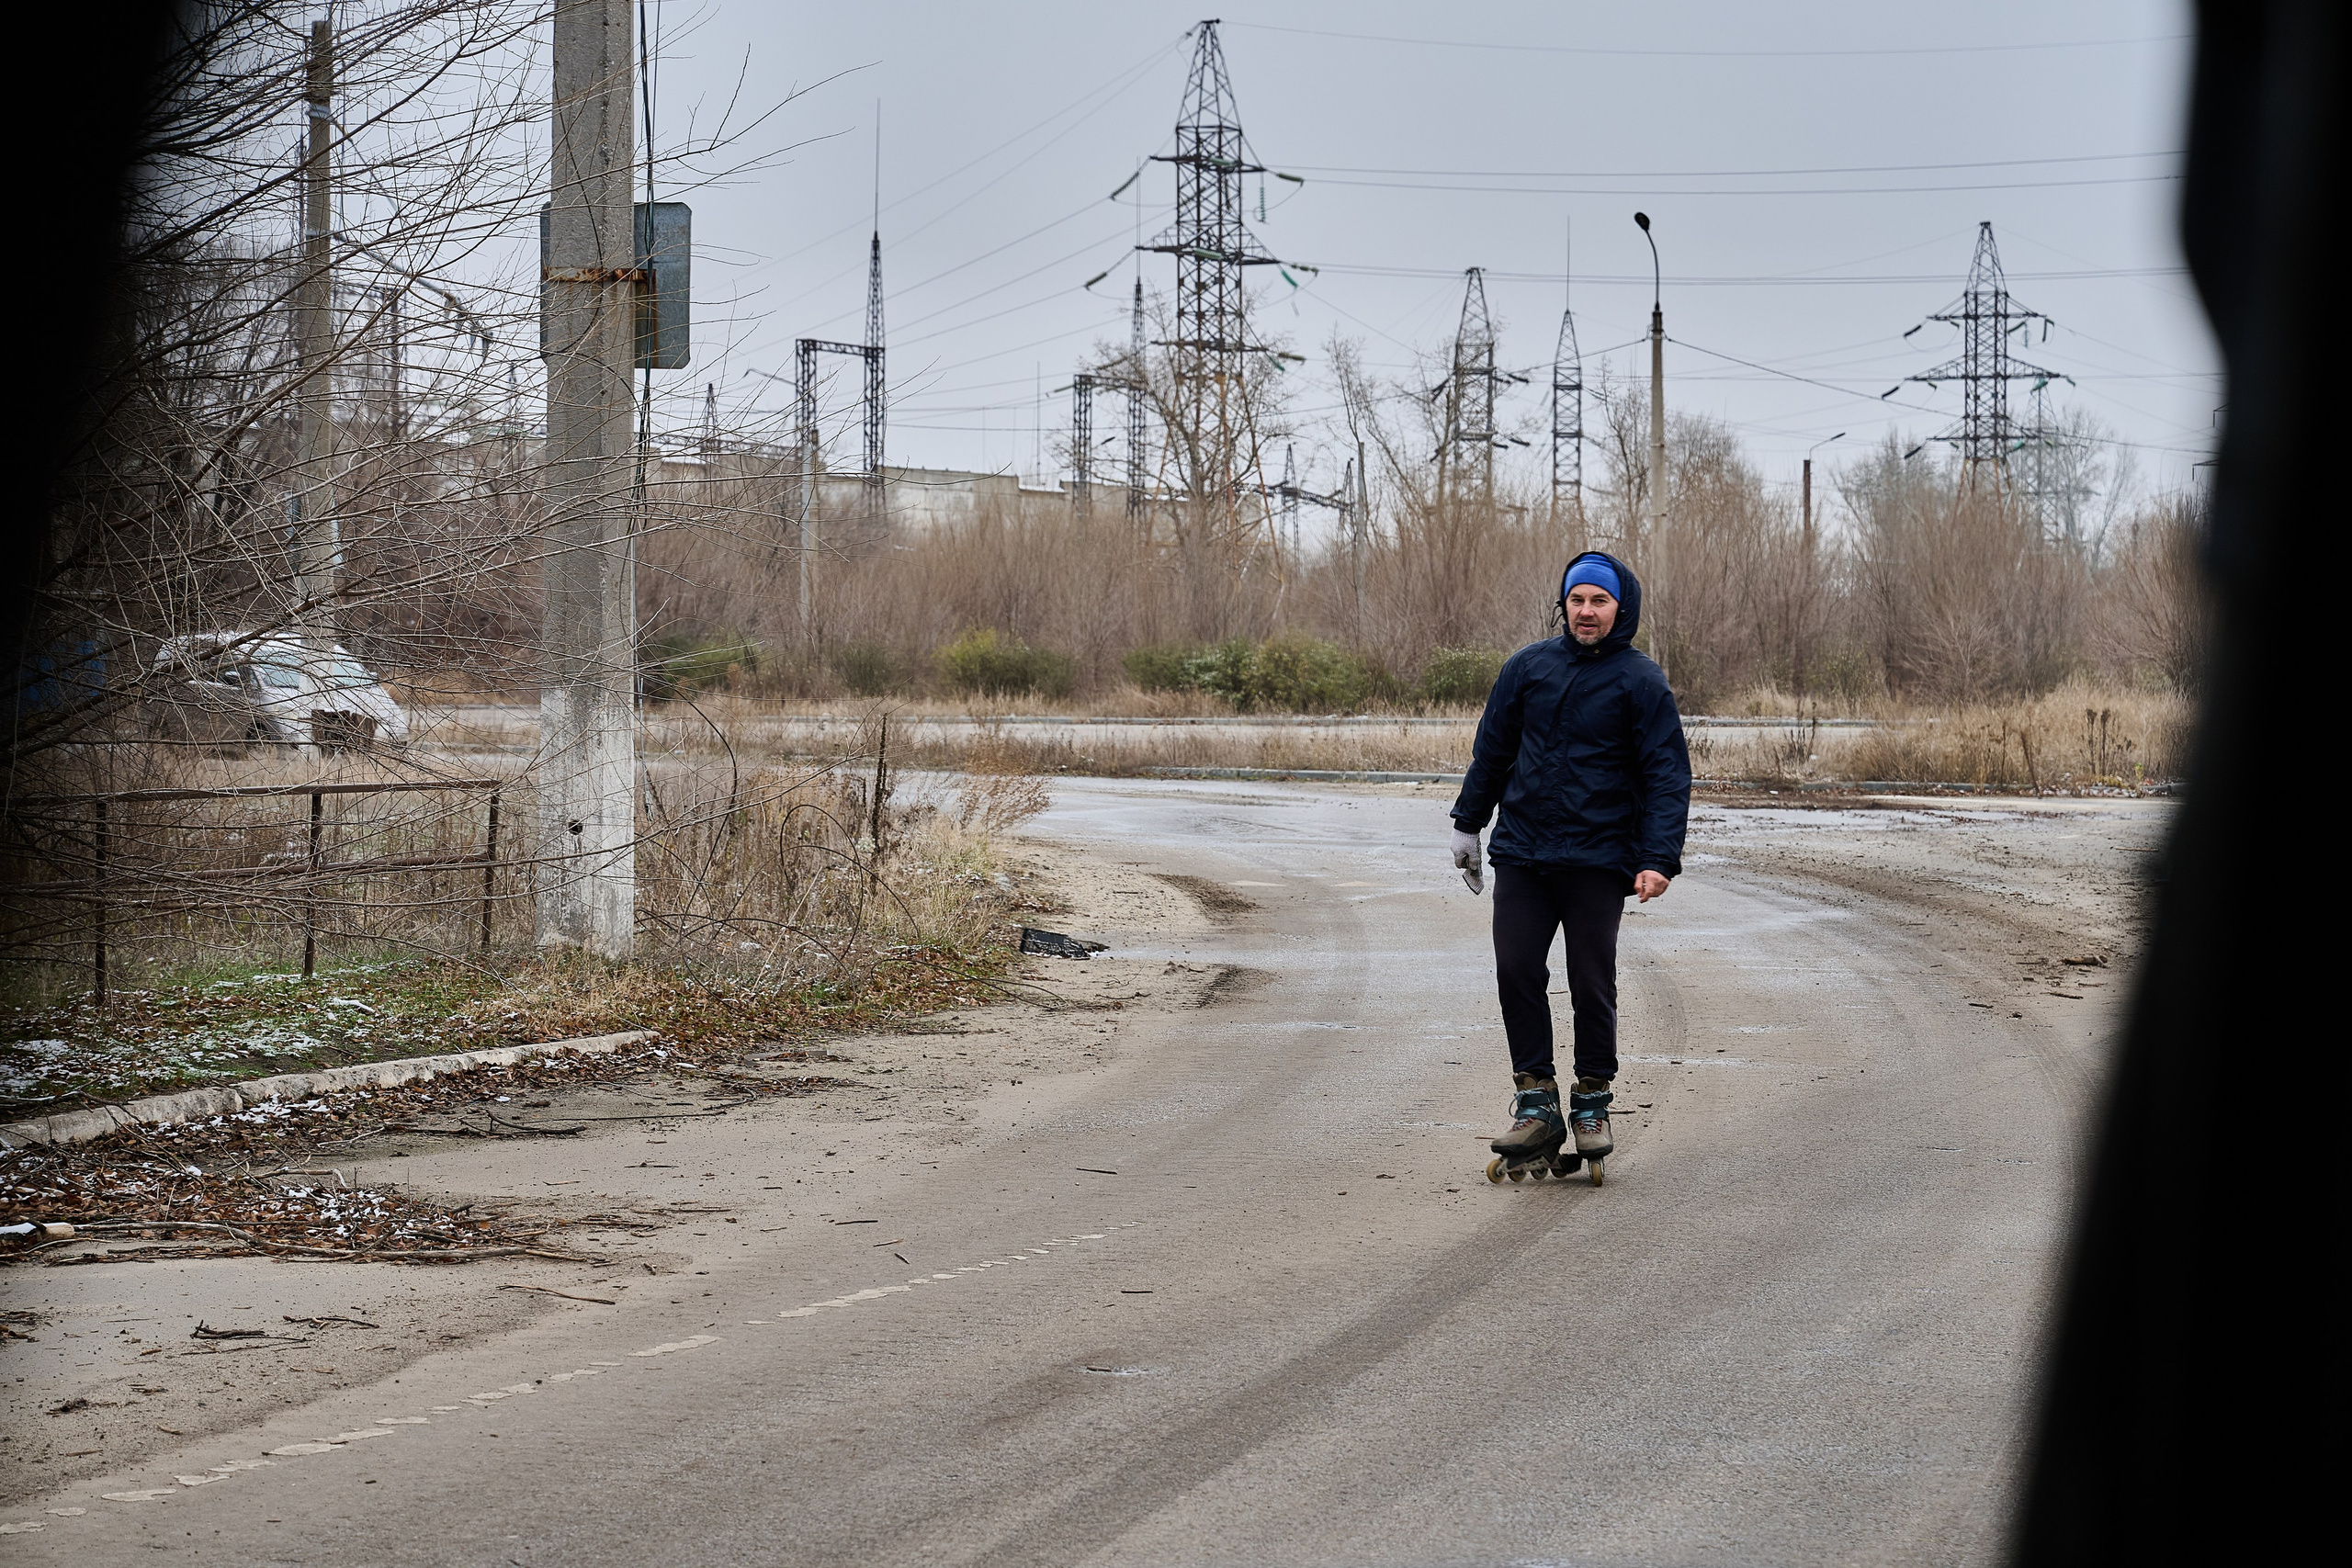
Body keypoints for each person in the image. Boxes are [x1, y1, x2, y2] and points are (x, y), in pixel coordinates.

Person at [1447, 551, 1692, 1183]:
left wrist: (1659, 858)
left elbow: (1666, 775)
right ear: (1565, 605)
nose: (1587, 612)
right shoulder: (1528, 668)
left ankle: (1590, 1100)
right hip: (1524, 852)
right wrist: (1467, 822)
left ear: (1620, 608)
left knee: (1591, 979)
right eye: (1578, 600)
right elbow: (1493, 749)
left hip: (1599, 859)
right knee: (1517, 969)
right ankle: (1536, 1102)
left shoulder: (1642, 682)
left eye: (1599, 602)